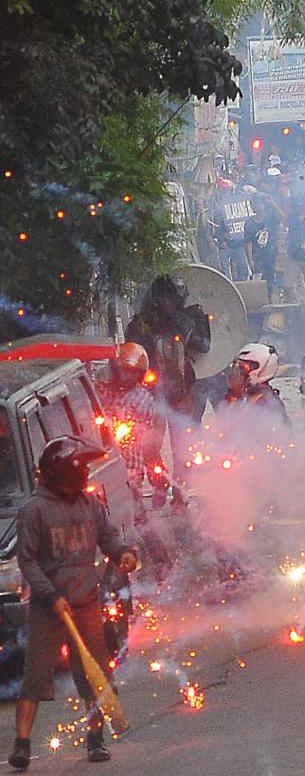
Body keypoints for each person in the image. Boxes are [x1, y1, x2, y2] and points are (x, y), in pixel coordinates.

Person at [9, 437, 137, 769]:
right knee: (35, 677)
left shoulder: (89, 504)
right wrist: (51, 596)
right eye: (78, 469)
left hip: (86, 602)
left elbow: (108, 536)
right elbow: (28, 560)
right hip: (47, 607)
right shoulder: (35, 510)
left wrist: (123, 553)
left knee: (94, 675)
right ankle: (22, 744)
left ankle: (95, 739)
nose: (84, 474)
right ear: (60, 473)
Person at [126, 275, 211, 512]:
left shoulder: (191, 317)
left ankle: (180, 495)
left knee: (182, 446)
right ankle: (160, 481)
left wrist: (179, 322)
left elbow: (204, 345)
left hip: (181, 389)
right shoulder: (142, 323)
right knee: (148, 446)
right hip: (151, 393)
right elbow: (132, 350)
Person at [97, 342, 168, 520]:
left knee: (133, 515)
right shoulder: (101, 391)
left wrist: (158, 481)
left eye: (132, 372)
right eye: (123, 370)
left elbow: (150, 448)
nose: (126, 377)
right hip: (101, 463)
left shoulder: (143, 400)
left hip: (130, 468)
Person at [223, 343, 288, 424]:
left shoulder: (265, 402)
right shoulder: (245, 397)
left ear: (259, 370)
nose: (236, 372)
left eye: (242, 368)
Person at [244, 193, 284, 302]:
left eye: (260, 203)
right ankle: (258, 300)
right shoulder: (249, 223)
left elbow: (283, 217)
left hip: (270, 254)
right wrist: (250, 258)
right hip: (258, 256)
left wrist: (273, 203)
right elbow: (248, 242)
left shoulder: (271, 217)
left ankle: (269, 299)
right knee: (257, 279)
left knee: (270, 278)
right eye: (256, 204)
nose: (258, 206)